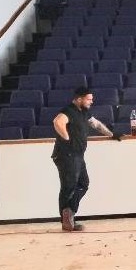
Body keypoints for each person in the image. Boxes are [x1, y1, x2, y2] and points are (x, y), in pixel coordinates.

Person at [51, 87, 123, 232]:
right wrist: (66, 138)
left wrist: (112, 134)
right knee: (68, 187)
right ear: (79, 99)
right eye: (88, 99)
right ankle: (67, 219)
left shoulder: (83, 112)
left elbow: (96, 124)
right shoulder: (69, 111)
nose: (91, 101)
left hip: (77, 155)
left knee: (83, 183)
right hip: (66, 155)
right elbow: (58, 122)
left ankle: (69, 213)